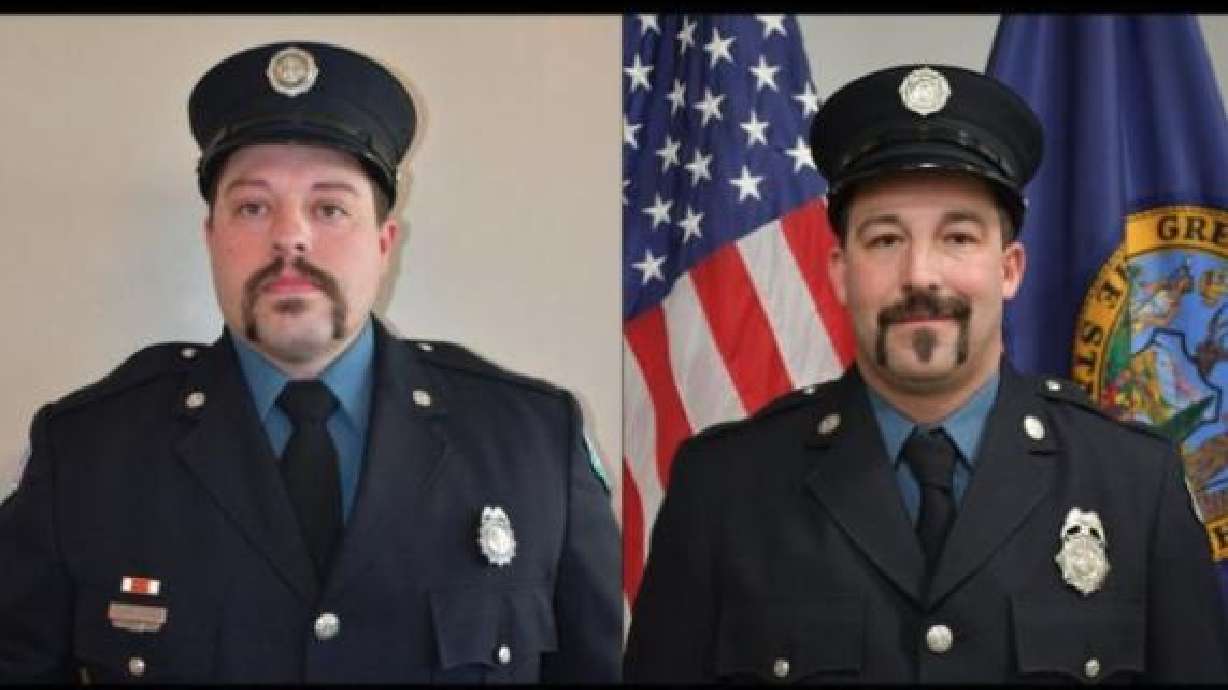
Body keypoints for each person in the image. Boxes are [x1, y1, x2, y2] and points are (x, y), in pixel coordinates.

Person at [0, 40, 620, 683]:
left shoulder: (533, 443)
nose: (290, 235)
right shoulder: (85, 453)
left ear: (384, 244)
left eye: (330, 207)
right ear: (211, 238)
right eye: (252, 207)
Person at [623, 63, 1228, 683]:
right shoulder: (723, 489)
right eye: (885, 241)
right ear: (838, 271)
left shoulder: (1135, 484)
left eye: (958, 238)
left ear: (1010, 268)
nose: (920, 275)